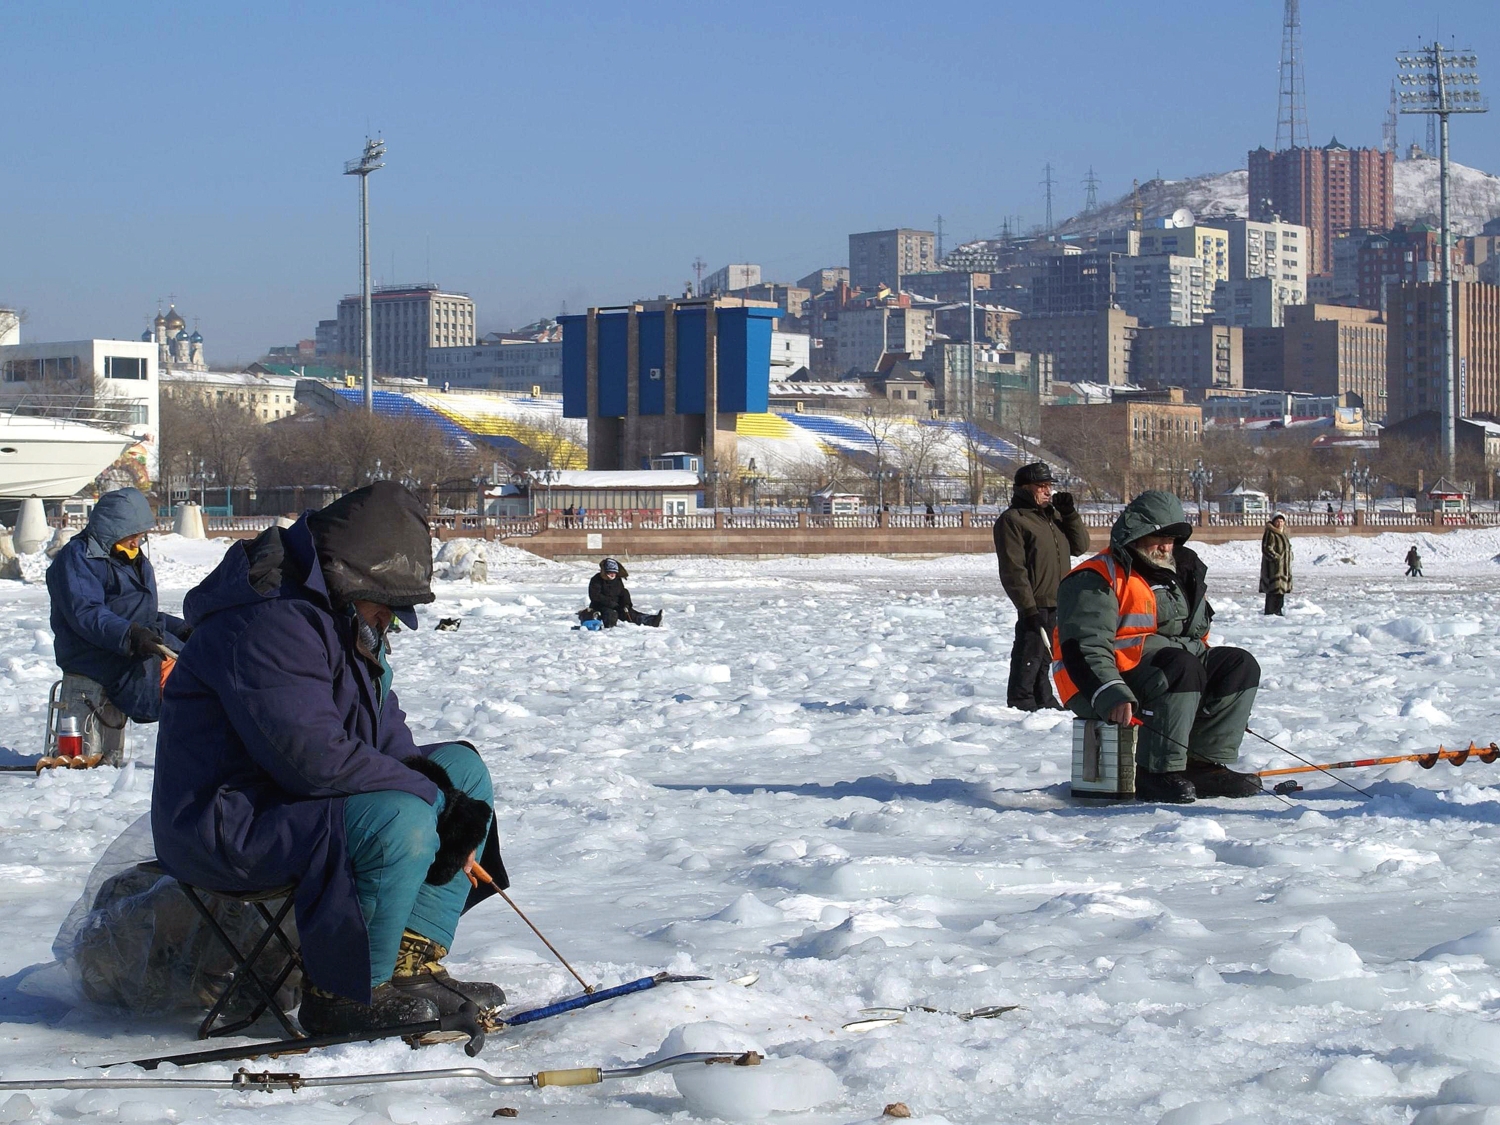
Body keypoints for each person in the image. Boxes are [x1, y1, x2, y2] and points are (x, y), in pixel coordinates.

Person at [151, 482, 507, 1035]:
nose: (392, 621)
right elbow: (312, 759)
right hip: (229, 821)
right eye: (388, 607)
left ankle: (407, 963)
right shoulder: (269, 621)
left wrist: (446, 792)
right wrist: (434, 803)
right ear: (354, 579)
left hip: (294, 807)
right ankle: (344, 992)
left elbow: (386, 736)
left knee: (464, 771)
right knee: (403, 816)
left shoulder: (344, 619)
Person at [1053, 489, 1263, 804]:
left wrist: (1220, 696)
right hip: (1098, 684)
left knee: (1238, 665)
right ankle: (1156, 771)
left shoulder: (1180, 574)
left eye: (1172, 538)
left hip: (1168, 672)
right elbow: (1084, 646)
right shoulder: (1097, 577)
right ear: (1135, 534)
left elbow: (1195, 638)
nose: (1166, 546)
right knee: (1181, 666)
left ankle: (1202, 764)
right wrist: (1110, 693)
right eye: (1157, 537)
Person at [46, 487, 190, 766]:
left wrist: (183, 629)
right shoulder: (78, 558)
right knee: (187, 684)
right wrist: (130, 635)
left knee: (201, 664)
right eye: (133, 533)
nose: (138, 540)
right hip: (96, 654)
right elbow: (87, 612)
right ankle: (193, 758)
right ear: (113, 528)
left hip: (127, 647)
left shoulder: (131, 557)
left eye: (141, 534)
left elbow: (140, 613)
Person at [994, 462, 1090, 711]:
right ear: (1025, 489)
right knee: (1030, 652)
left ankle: (1043, 697)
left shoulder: (1053, 517)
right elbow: (1013, 569)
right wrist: (1027, 608)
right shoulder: (1013, 520)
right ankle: (1021, 698)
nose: (1048, 492)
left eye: (1049, 486)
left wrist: (1069, 514)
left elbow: (1080, 546)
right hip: (1035, 600)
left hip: (1060, 597)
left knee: (1047, 654)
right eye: (1042, 486)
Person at [583, 557, 662, 628]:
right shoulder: (596, 580)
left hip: (616, 604)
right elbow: (595, 596)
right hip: (601, 606)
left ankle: (652, 621)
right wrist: (611, 604)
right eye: (610, 572)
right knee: (611, 614)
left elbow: (622, 592)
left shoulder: (617, 580)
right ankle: (610, 630)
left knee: (630, 614)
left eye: (614, 572)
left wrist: (626, 604)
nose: (612, 574)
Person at [1259, 513, 1293, 616]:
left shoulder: (1284, 533)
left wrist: (1290, 557)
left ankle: (1278, 610)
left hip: (1284, 569)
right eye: (1278, 521)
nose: (1280, 523)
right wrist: (1276, 559)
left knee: (1280, 592)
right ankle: (1271, 611)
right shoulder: (1270, 533)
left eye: (1282, 521)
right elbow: (1266, 548)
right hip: (1273, 569)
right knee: (1272, 591)